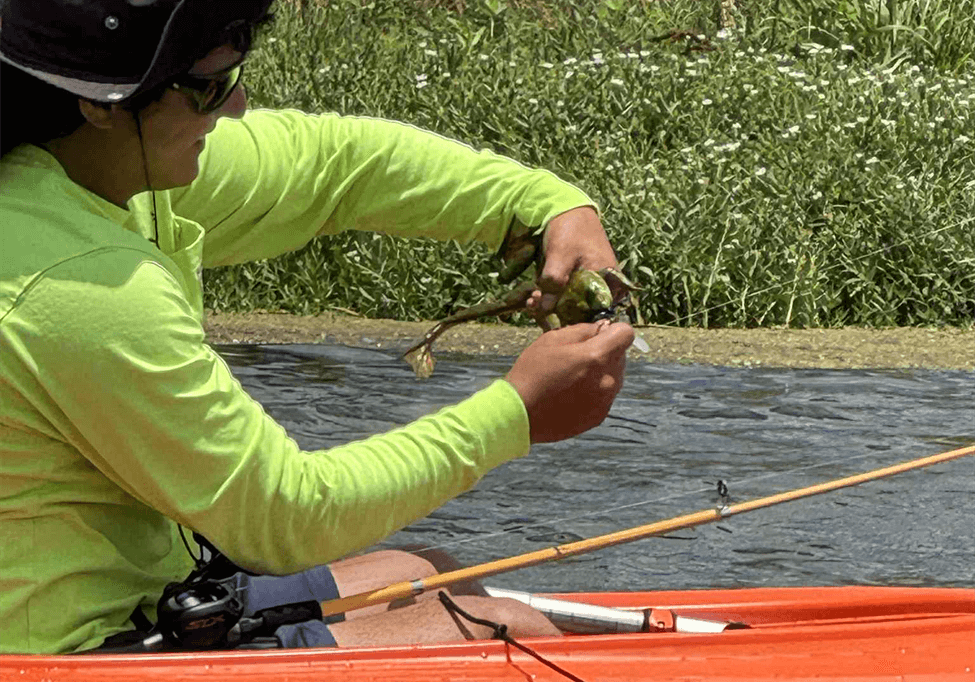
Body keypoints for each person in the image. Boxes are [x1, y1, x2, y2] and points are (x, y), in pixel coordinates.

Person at [0, 0, 634, 654]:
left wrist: (546, 206)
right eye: (209, 89)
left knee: (421, 574)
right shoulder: (78, 284)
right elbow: (285, 518)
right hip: (52, 654)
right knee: (504, 638)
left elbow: (336, 167)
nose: (238, 104)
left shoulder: (95, 163)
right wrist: (518, 413)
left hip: (136, 604)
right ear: (98, 102)